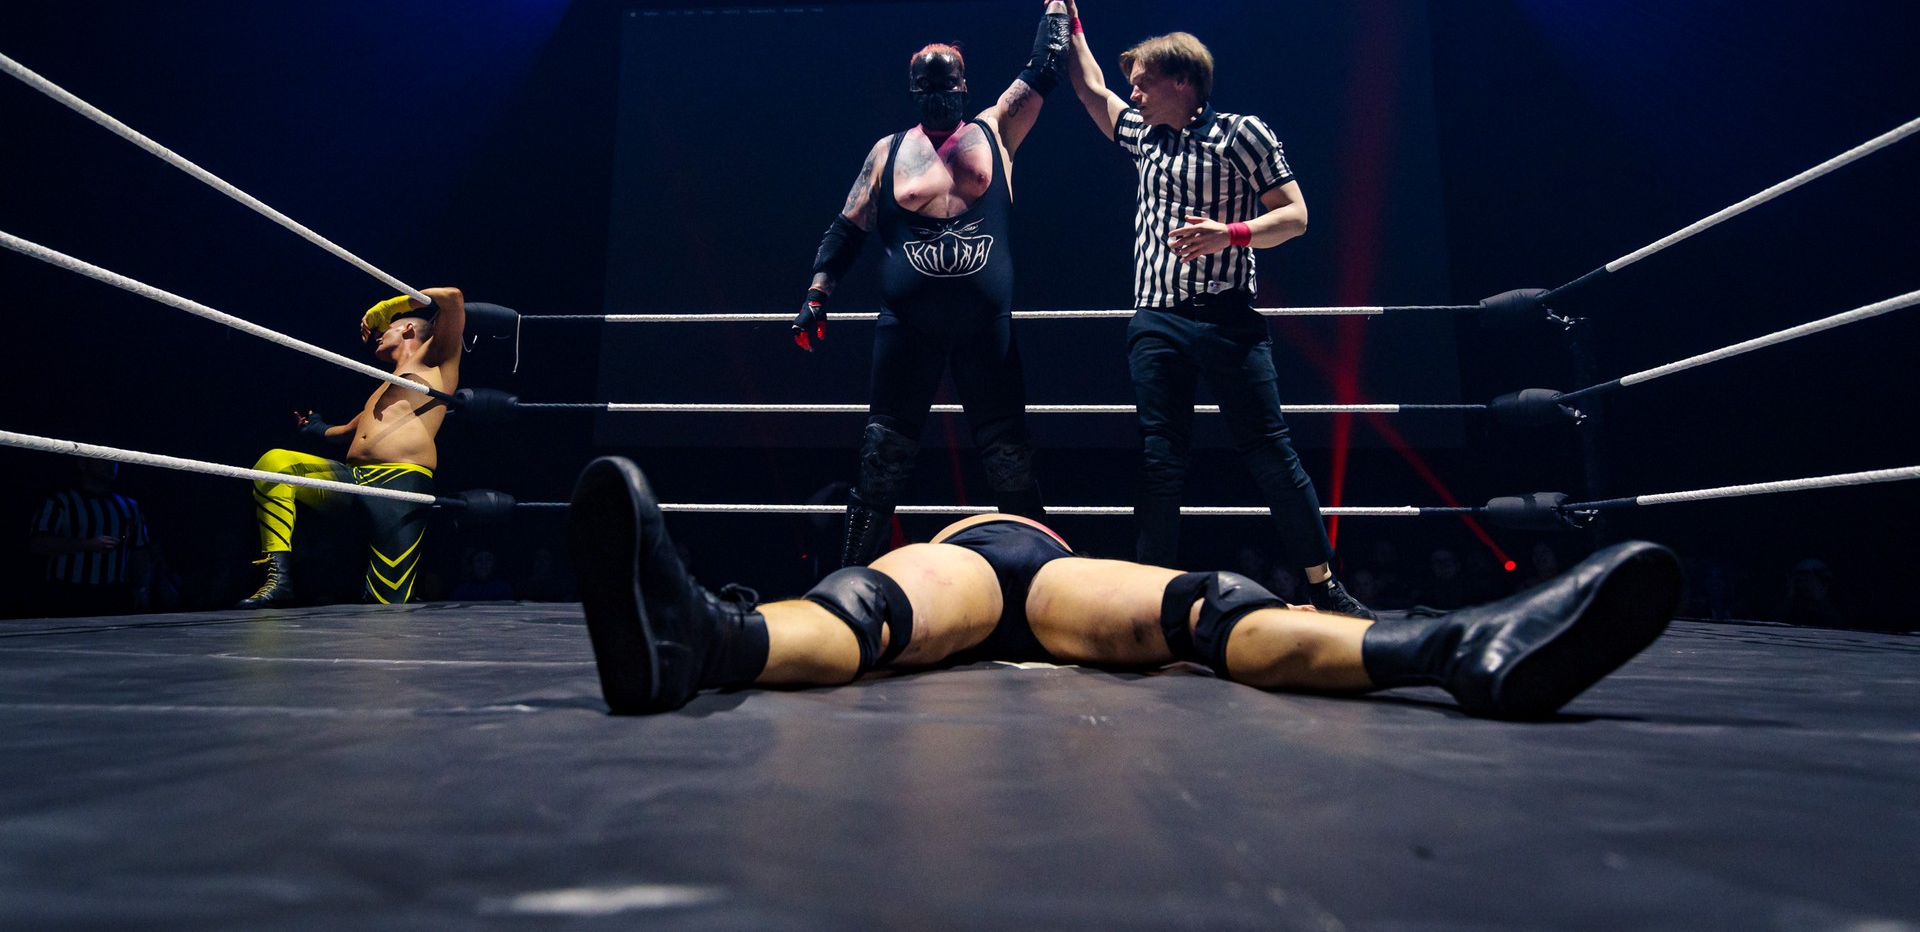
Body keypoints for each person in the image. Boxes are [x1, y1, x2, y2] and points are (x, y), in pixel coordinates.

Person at [565, 456, 1684, 722]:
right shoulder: (1016, 539)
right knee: (873, 607)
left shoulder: (990, 540)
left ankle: (1461, 649)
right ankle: (1440, 650)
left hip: (1002, 575)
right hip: (1019, 575)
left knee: (1210, 600)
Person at [1056, 0, 1369, 617]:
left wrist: (1231, 233)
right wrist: (1068, 12)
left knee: (1271, 452)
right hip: (1156, 320)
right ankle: (1151, 601)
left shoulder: (1241, 134)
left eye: (1143, 83)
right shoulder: (1144, 136)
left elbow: (1296, 216)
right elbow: (1091, 89)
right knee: (1159, 460)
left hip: (1228, 319)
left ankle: (1323, 586)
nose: (1133, 94)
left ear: (1182, 82)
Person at [791, 0, 1086, 567]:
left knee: (1009, 459)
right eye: (926, 88)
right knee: (882, 457)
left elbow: (1044, 68)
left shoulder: (996, 128)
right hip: (908, 329)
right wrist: (817, 294)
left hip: (984, 328)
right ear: (913, 90)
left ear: (964, 85)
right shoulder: (887, 152)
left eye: (946, 85)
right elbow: (847, 228)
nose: (937, 97)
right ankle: (849, 579)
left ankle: (1042, 584)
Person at [237, 287, 465, 607]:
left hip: (399, 484)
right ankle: (279, 580)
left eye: (387, 330)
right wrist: (316, 428)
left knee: (388, 601)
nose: (378, 336)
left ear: (408, 329)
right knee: (275, 463)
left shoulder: (436, 362)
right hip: (353, 479)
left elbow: (452, 297)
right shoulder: (384, 387)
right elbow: (346, 431)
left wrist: (390, 307)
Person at [28, 458, 151, 617]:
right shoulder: (61, 502)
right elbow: (37, 543)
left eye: (114, 460)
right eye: (103, 460)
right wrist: (87, 545)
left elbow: (139, 550)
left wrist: (142, 589)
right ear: (83, 464)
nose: (112, 464)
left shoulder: (130, 506)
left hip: (114, 594)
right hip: (68, 591)